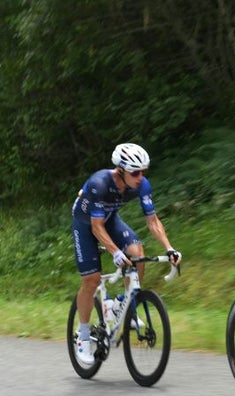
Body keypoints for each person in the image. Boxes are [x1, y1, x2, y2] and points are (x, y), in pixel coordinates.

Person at [71, 143, 182, 367]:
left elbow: (152, 221)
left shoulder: (141, 185)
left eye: (143, 171)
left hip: (109, 220)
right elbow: (95, 227)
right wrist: (115, 252)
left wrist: (169, 248)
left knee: (137, 253)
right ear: (121, 170)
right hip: (86, 224)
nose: (140, 177)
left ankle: (122, 304)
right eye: (135, 172)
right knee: (91, 280)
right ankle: (83, 336)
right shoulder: (99, 183)